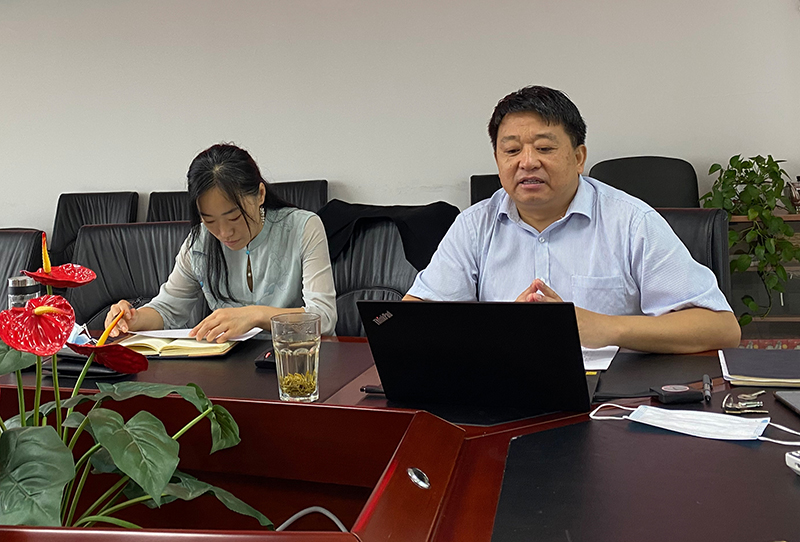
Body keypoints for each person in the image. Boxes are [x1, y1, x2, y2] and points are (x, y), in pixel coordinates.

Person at [404, 86, 740, 353]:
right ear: (498, 160)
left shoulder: (632, 222)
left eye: (544, 148)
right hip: (504, 394)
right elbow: (410, 323)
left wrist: (603, 327)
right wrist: (503, 326)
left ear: (579, 157)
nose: (527, 162)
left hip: (609, 399)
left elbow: (722, 328)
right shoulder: (474, 226)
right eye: (512, 151)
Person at [106, 143, 337, 341]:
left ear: (260, 194)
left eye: (234, 217)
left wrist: (255, 315)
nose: (224, 232)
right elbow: (167, 309)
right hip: (231, 367)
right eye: (209, 220)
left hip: (300, 362)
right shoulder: (199, 243)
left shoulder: (302, 228)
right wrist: (133, 319)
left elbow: (324, 318)